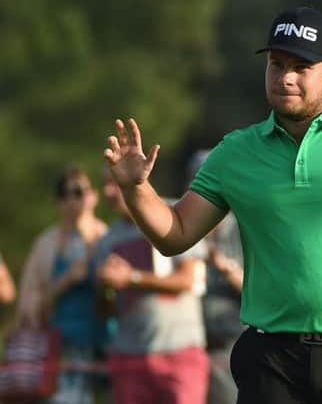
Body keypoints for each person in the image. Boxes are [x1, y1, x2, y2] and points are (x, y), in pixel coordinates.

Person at [103, 6, 322, 404]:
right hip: (270, 359)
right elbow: (176, 234)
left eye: (301, 67)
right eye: (276, 64)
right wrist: (137, 189)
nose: (285, 77)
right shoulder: (236, 152)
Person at [93, 168, 209, 404]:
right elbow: (105, 313)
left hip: (180, 352)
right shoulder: (107, 241)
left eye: (114, 183)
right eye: (104, 185)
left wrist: (132, 277)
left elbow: (188, 280)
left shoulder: (174, 214)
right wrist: (106, 285)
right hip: (128, 357)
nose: (108, 191)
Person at [16, 167, 108, 404]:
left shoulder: (108, 239)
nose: (72, 200)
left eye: (78, 191)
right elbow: (28, 309)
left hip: (106, 352)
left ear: (93, 196)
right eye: (63, 194)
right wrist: (64, 282)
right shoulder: (45, 245)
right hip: (61, 354)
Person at [187, 150, 244, 404]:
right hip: (191, 348)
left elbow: (260, 288)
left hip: (232, 344)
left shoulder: (242, 227)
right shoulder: (185, 229)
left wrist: (224, 267)